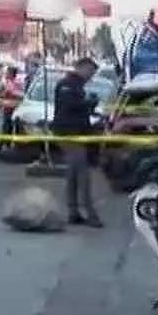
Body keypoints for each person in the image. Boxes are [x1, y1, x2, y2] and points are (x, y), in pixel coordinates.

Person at [53, 57, 102, 226]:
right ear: (81, 68)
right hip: (69, 135)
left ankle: (73, 212)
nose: (91, 76)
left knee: (73, 174)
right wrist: (88, 103)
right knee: (82, 174)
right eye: (90, 71)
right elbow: (69, 106)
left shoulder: (77, 85)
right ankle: (90, 213)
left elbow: (79, 109)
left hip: (76, 134)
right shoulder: (67, 84)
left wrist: (90, 106)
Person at [0, 66, 25, 159]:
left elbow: (18, 95)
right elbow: (3, 94)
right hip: (9, 110)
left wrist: (7, 94)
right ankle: (6, 149)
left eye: (7, 73)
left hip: (14, 111)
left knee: (6, 130)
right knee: (8, 130)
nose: (6, 74)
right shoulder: (11, 83)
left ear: (12, 74)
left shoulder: (15, 83)